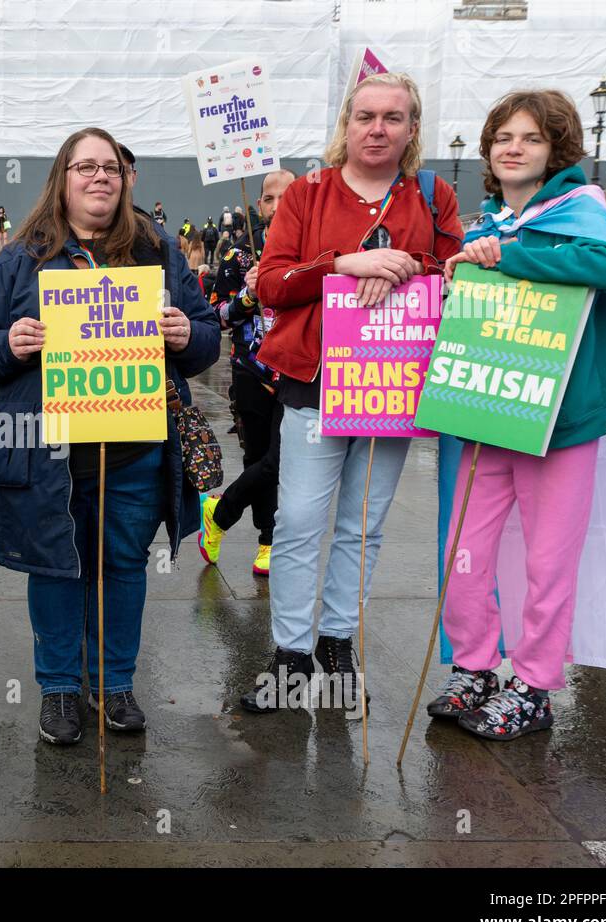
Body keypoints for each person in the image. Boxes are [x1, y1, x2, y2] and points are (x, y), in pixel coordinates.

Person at [0, 127, 219, 744]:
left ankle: (114, 682)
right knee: (55, 568)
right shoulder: (23, 255)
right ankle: (59, 690)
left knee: (123, 565)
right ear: (63, 179)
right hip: (48, 451)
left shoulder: (158, 251)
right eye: (85, 167)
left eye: (110, 168)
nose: (99, 177)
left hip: (133, 448)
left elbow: (207, 335)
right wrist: (10, 343)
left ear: (125, 180)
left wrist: (187, 336)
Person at [428, 90, 606, 739]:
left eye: (529, 137)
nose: (512, 147)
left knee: (550, 559)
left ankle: (534, 683)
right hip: (488, 407)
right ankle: (473, 665)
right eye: (502, 136)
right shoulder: (485, 224)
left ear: (556, 150)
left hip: (562, 420)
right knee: (463, 549)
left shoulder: (581, 208)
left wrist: (510, 257)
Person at [242, 72, 462, 713]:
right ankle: (288, 651)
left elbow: (453, 272)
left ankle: (337, 642)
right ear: (346, 123)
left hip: (391, 378)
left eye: (393, 118)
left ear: (412, 128)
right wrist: (342, 262)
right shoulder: (308, 192)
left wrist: (404, 269)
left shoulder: (433, 192)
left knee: (362, 525)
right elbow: (273, 284)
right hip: (314, 380)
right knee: (302, 521)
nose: (377, 129)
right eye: (365, 116)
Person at [198, 169, 296, 577]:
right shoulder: (238, 254)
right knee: (258, 457)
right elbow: (215, 315)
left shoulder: (313, 249)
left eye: (286, 197)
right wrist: (248, 295)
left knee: (281, 459)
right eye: (269, 199)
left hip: (298, 373)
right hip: (250, 370)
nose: (277, 206)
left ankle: (219, 512)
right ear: (259, 205)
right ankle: (267, 541)